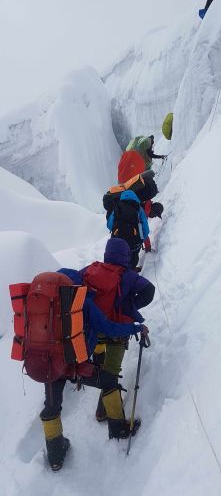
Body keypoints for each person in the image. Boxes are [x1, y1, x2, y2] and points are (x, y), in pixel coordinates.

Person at [37, 270, 149, 471]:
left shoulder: (44, 306)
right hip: (74, 366)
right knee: (108, 381)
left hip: (48, 364)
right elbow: (110, 328)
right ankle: (118, 428)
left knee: (51, 405)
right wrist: (136, 328)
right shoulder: (83, 303)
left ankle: (55, 454)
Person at [75, 237, 155, 422]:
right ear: (126, 255)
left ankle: (92, 373)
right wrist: (130, 307)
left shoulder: (91, 270)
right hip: (118, 329)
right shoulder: (128, 275)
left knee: (99, 361)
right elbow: (149, 290)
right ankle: (107, 414)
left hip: (95, 328)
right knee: (111, 372)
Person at [107, 190, 150, 269]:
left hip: (117, 240)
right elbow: (145, 228)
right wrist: (141, 240)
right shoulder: (139, 208)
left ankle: (118, 274)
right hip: (134, 243)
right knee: (132, 260)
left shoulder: (118, 207)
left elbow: (109, 225)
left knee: (118, 260)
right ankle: (131, 272)